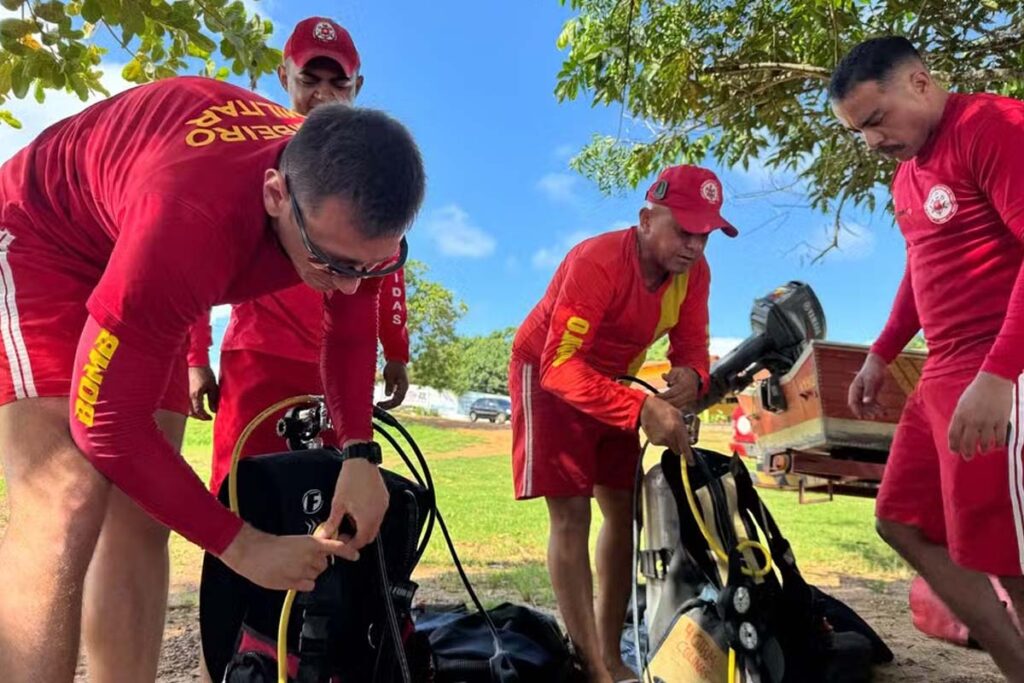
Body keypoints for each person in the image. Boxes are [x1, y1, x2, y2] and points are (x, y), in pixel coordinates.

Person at [0, 75, 425, 682]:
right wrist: (242, 545)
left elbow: (352, 330)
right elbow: (104, 425)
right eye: (329, 262)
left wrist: (358, 452)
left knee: (141, 510)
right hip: (51, 237)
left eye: (370, 265)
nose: (351, 284)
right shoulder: (191, 219)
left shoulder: (350, 220)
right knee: (63, 496)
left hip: (146, 249)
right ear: (276, 194)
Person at [835, 36, 1024, 680]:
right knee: (901, 520)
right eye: (858, 132)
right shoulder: (907, 177)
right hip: (942, 370)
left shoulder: (991, 125)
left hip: (999, 363)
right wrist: (881, 354)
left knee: (1013, 554)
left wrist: (1001, 374)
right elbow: (921, 270)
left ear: (919, 82)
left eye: (875, 120)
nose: (871, 141)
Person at [510, 164, 736, 682]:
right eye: (684, 230)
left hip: (615, 379)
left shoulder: (694, 275)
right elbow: (559, 367)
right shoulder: (598, 260)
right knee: (571, 514)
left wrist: (691, 378)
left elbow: (693, 348)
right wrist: (640, 408)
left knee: (624, 510)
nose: (694, 246)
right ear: (646, 218)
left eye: (705, 234)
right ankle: (590, 662)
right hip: (549, 371)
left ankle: (609, 654)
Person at [185, 17, 411, 493]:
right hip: (259, 354)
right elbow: (198, 253)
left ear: (358, 85)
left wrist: (396, 350)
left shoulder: (372, 164)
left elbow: (386, 266)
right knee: (244, 487)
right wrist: (195, 355)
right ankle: (237, 566)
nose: (324, 95)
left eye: (339, 83)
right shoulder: (254, 148)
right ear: (285, 76)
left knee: (333, 488)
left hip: (341, 359)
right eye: (310, 80)